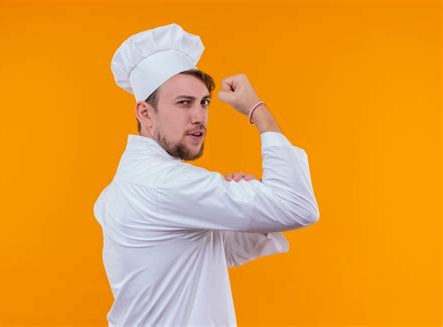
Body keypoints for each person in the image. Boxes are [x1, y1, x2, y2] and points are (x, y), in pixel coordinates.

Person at [93, 23, 320, 326]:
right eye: (184, 103)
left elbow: (216, 252)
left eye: (204, 103)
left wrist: (248, 205)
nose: (199, 117)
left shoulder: (129, 185)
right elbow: (297, 205)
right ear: (145, 113)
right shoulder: (164, 184)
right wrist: (257, 110)